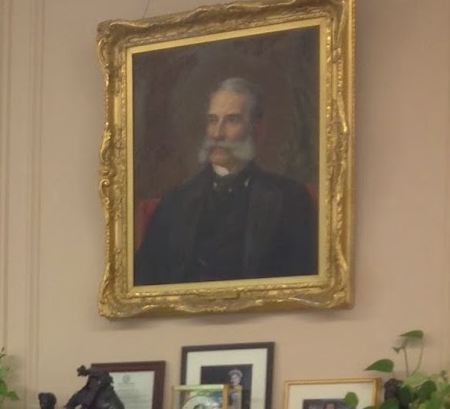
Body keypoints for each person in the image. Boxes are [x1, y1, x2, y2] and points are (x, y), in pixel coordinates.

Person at [133, 77, 317, 286]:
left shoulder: (290, 199)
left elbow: (303, 283)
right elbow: (144, 284)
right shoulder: (173, 204)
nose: (218, 133)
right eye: (213, 120)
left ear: (256, 128)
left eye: (232, 120)